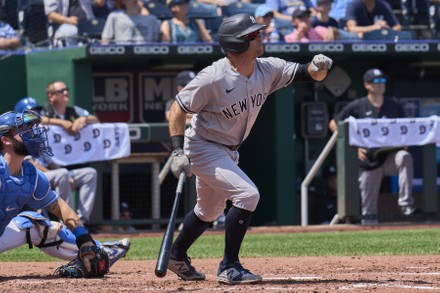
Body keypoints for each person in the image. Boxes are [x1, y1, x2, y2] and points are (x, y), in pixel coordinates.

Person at [167, 13, 332, 284]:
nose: (261, 36)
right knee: (247, 195)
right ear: (239, 43)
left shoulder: (266, 69)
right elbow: (178, 109)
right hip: (203, 146)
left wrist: (318, 65)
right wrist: (176, 151)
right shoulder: (213, 77)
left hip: (229, 149)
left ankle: (176, 255)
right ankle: (229, 266)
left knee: (208, 211)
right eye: (255, 34)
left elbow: (308, 73)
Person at [0, 109, 130, 272]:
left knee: (34, 223)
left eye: (31, 129)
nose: (32, 134)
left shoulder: (30, 174)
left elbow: (59, 206)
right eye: (24, 130)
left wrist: (84, 240)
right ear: (6, 139)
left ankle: (99, 250)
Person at [328, 68, 416, 224]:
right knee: (369, 211)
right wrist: (352, 146)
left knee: (405, 158)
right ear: (367, 85)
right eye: (376, 81)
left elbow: (404, 128)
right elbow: (334, 124)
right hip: (368, 162)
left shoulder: (394, 104)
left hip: (390, 157)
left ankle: (405, 203)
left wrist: (405, 141)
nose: (381, 84)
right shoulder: (358, 105)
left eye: (383, 81)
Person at [15, 95, 98, 226]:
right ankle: (68, 222)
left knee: (90, 173)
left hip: (49, 175)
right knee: (62, 174)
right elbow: (30, 164)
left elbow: (50, 162)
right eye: (31, 111)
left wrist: (61, 172)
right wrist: (61, 174)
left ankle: (81, 219)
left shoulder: (36, 132)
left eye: (36, 110)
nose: (35, 113)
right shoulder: (19, 135)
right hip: (31, 177)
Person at [165, 70, 226, 229]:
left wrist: (190, 117)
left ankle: (218, 217)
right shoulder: (174, 101)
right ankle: (191, 219)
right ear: (179, 87)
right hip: (180, 155)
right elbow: (172, 116)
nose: (191, 87)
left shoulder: (201, 99)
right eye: (186, 85)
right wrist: (192, 117)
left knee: (214, 178)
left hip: (202, 151)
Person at [284, 6, 360, 42]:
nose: (305, 19)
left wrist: (333, 30)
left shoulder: (318, 30)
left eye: (307, 16)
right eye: (301, 17)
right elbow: (294, 50)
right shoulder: (289, 37)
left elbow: (335, 34)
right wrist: (300, 31)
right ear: (294, 21)